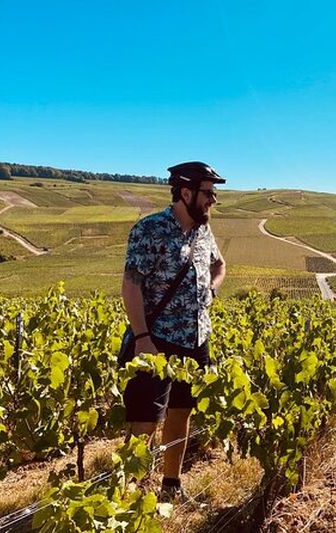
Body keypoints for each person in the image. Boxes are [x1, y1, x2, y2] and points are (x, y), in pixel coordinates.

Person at [121, 161, 227, 501]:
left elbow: (220, 265)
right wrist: (141, 339)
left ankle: (171, 485)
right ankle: (129, 496)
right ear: (186, 192)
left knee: (182, 413)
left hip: (196, 340)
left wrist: (211, 289)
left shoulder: (203, 231)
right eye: (208, 193)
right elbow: (131, 286)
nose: (213, 200)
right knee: (144, 422)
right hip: (157, 341)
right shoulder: (149, 230)